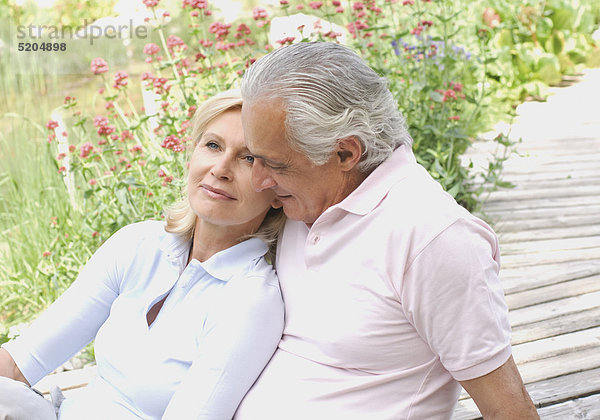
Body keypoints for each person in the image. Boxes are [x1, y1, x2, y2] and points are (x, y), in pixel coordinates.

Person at [233, 42, 539, 419]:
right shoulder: (299, 203)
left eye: (275, 164)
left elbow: (509, 411)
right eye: (253, 157)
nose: (258, 180)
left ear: (346, 153)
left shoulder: (432, 237)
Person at [0, 90, 286, 419]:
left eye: (248, 158)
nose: (220, 169)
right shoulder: (140, 245)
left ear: (277, 189)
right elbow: (19, 363)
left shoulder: (249, 298)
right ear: (192, 154)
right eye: (213, 145)